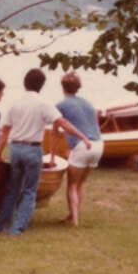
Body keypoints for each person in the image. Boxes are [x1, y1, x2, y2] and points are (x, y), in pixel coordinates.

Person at [0, 67, 88, 236]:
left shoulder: (14, 102)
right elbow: (62, 123)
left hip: (15, 149)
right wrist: (82, 137)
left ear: (24, 83)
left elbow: (5, 130)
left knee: (13, 189)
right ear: (42, 85)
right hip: (32, 149)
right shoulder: (43, 103)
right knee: (30, 191)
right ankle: (17, 229)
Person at [55, 72, 105, 226]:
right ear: (78, 87)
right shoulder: (88, 104)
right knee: (81, 183)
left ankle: (74, 219)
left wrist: (53, 153)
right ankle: (73, 216)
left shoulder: (61, 105)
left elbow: (56, 130)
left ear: (62, 87)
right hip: (98, 144)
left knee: (72, 184)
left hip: (82, 145)